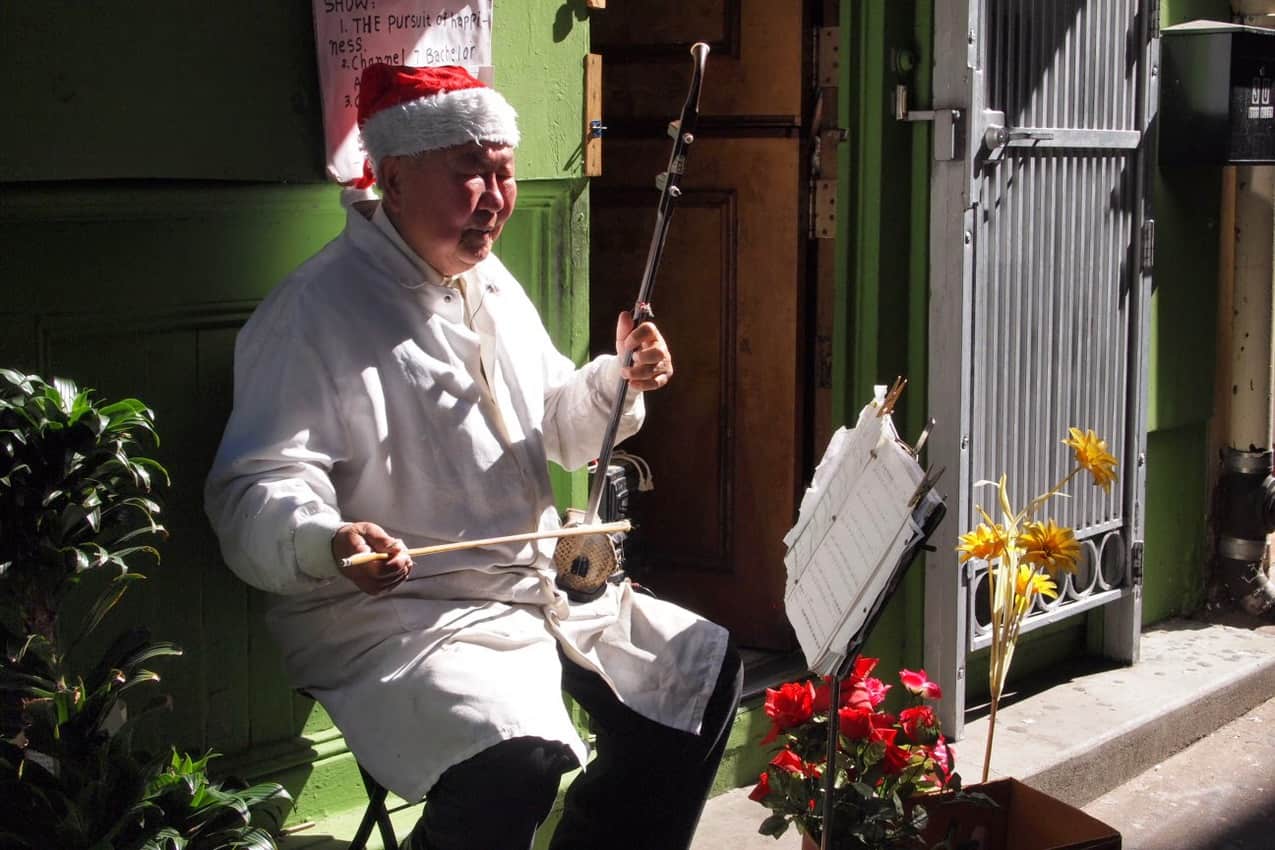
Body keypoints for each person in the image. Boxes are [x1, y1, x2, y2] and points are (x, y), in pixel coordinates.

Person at [204, 63, 741, 850]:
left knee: (702, 675)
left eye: (504, 174)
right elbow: (255, 487)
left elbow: (557, 425)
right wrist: (330, 543)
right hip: (394, 618)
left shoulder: (486, 280)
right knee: (513, 760)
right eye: (469, 176)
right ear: (392, 179)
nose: (493, 199)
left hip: (529, 585)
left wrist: (614, 376)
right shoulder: (314, 311)